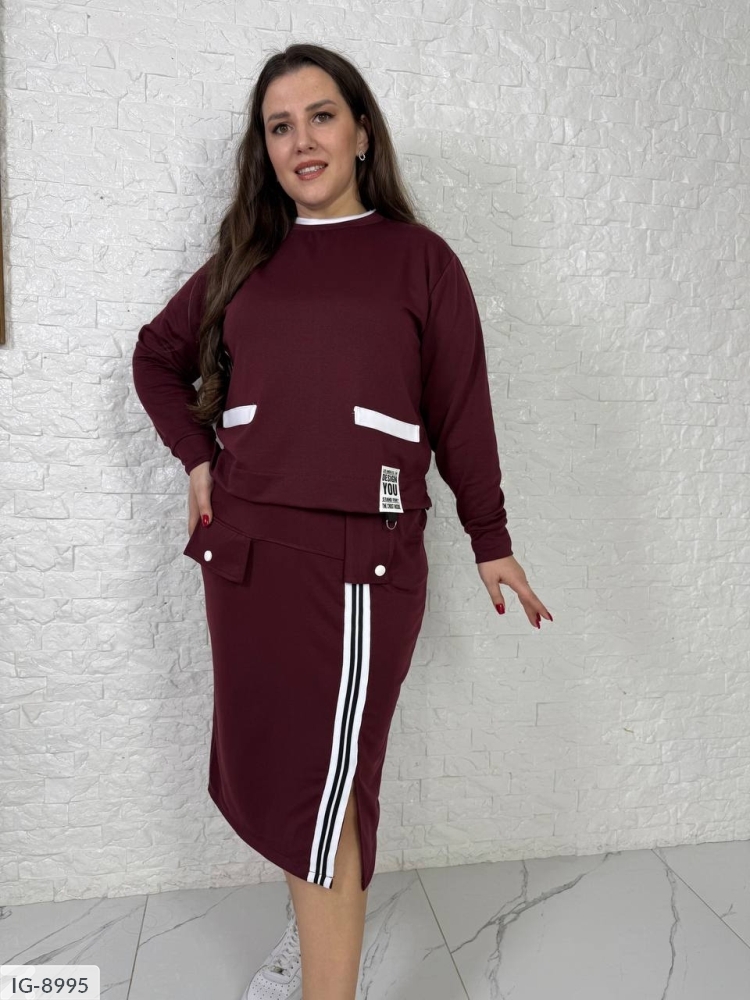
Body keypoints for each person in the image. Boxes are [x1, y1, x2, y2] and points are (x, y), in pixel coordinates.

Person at [131, 41, 552, 1000]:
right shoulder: (246, 261)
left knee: (327, 784)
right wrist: (197, 456)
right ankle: (314, 934)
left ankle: (330, 983)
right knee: (286, 777)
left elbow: (461, 409)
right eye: (280, 127)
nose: (302, 141)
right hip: (245, 559)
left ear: (362, 131)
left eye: (320, 116)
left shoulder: (420, 260)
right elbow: (156, 356)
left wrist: (490, 540)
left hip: (359, 562)